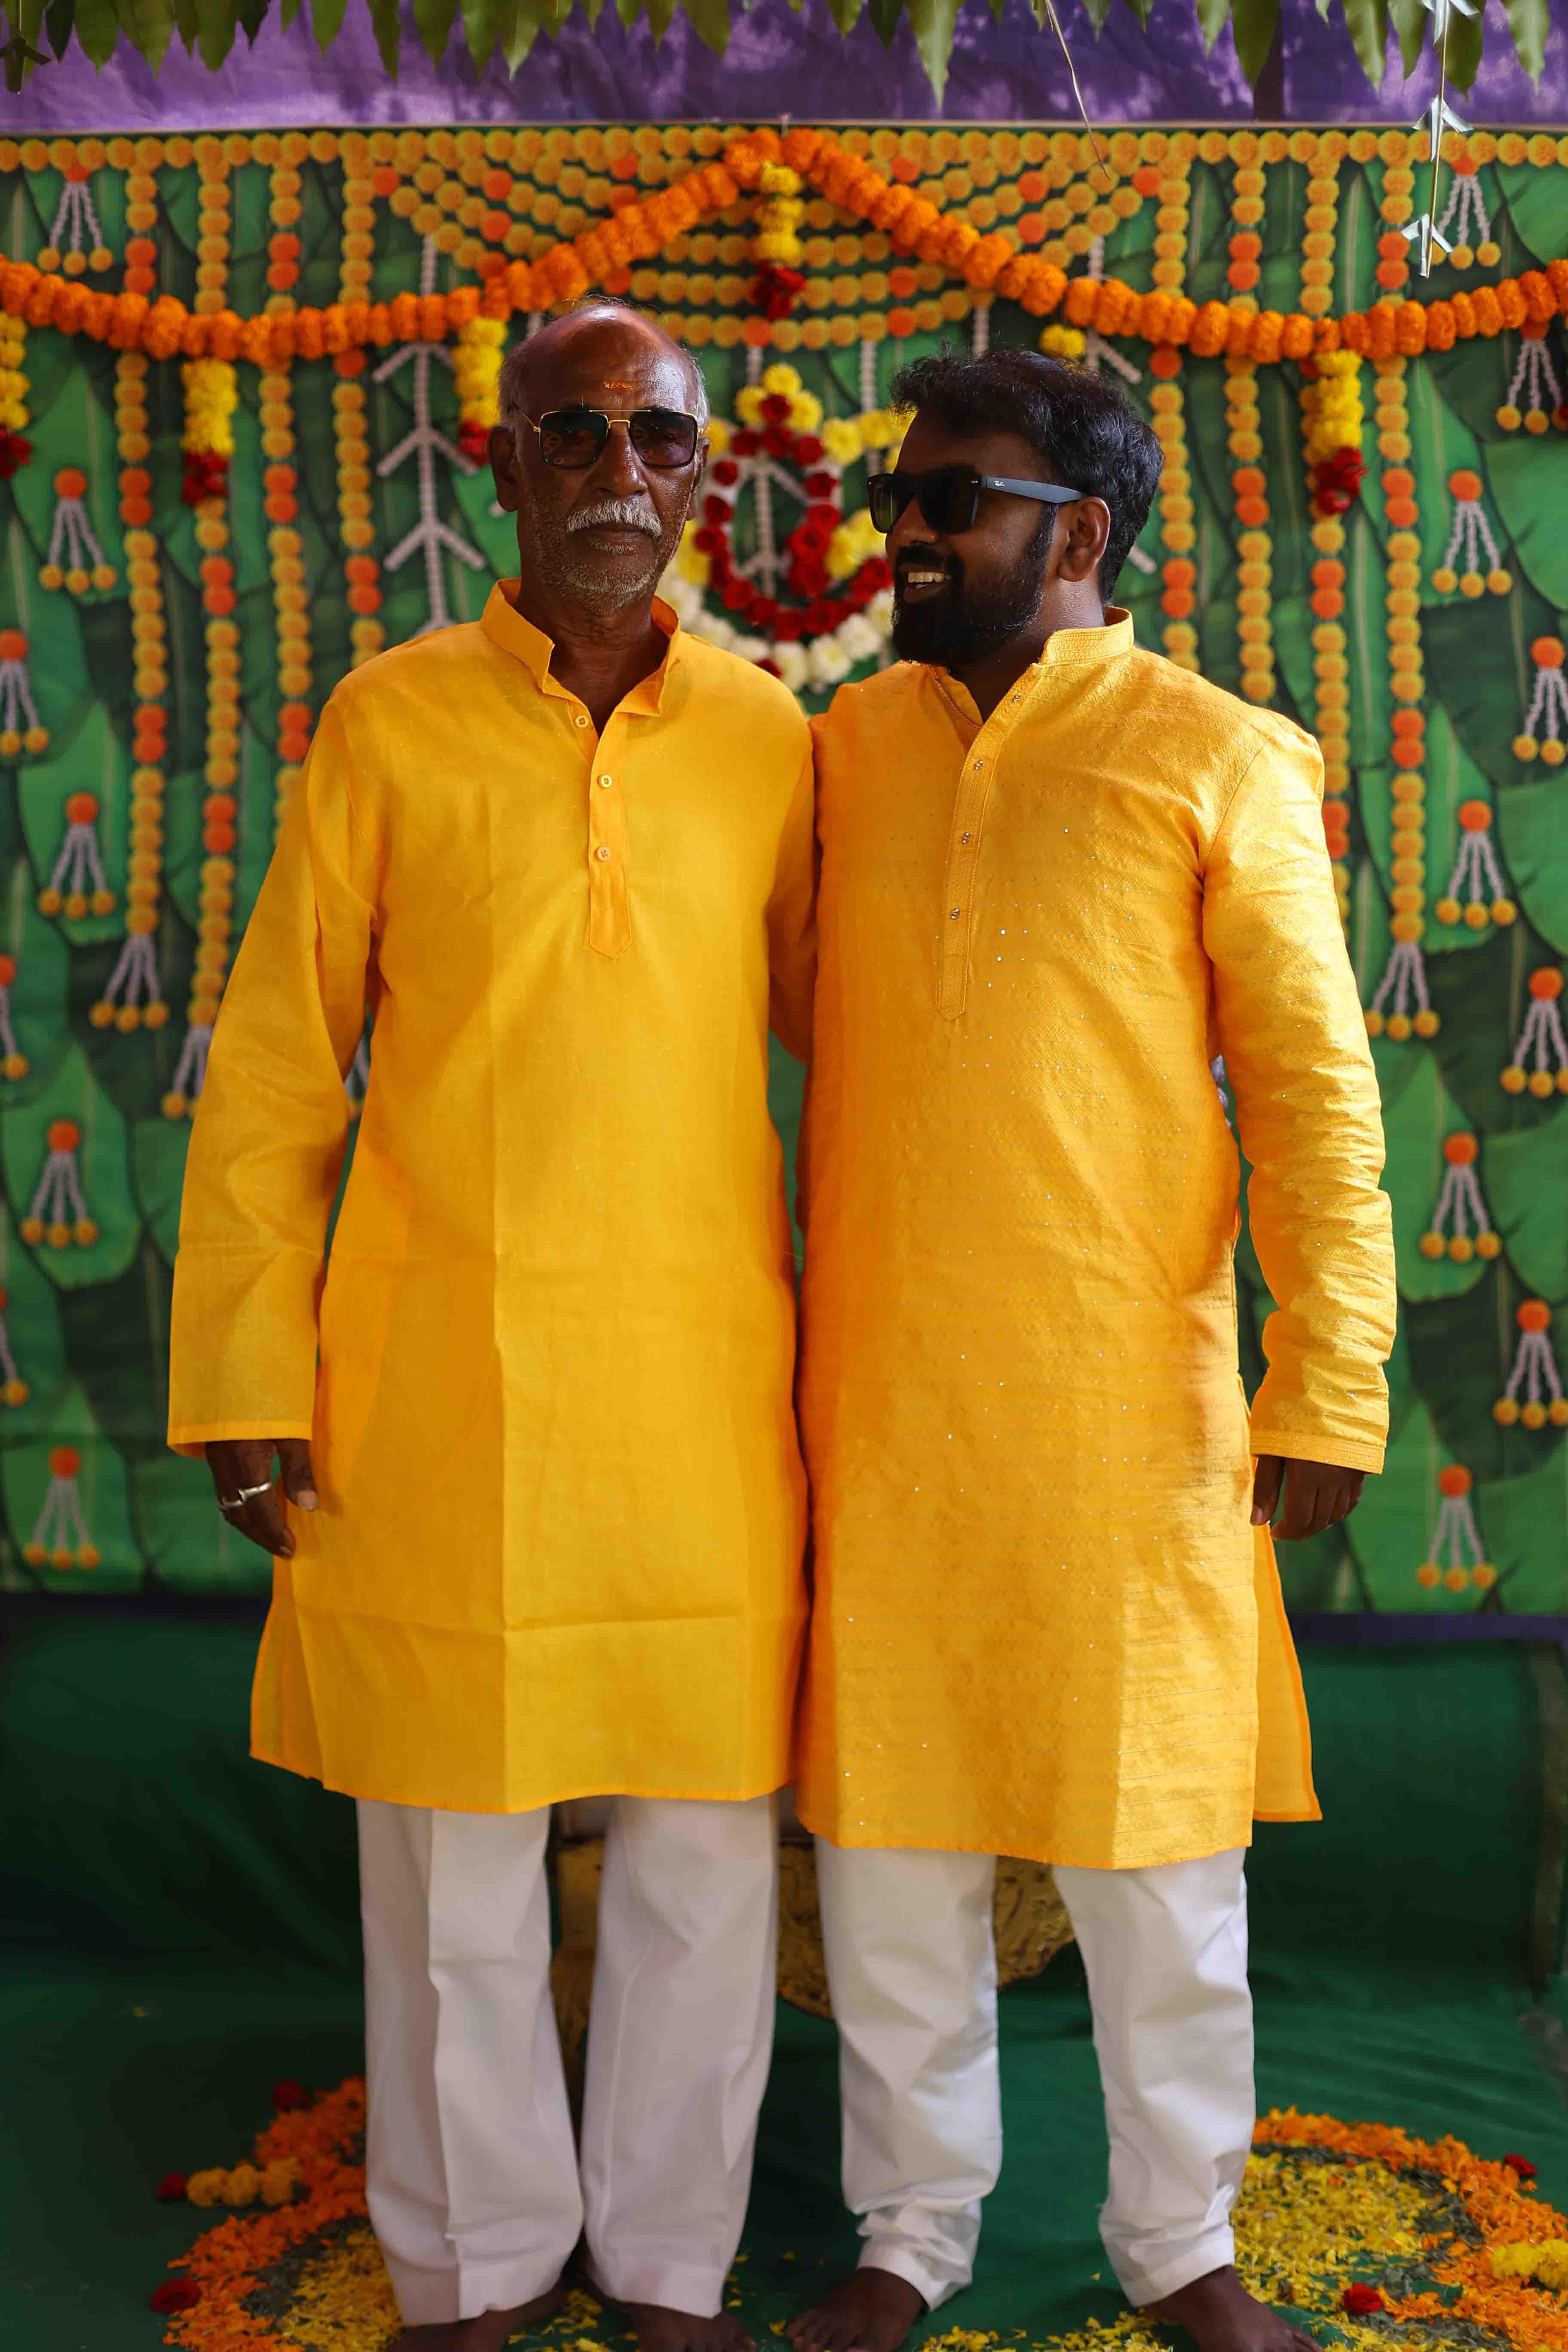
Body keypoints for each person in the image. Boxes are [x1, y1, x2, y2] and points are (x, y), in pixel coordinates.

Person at [166, 304, 816, 2352]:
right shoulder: (389, 719)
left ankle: (667, 2268)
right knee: (451, 1850)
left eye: (661, 439)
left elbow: (873, 1058)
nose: (622, 476)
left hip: (708, 1384)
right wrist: (247, 1374)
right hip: (440, 1371)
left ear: (709, 477)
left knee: (705, 1844)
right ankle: (469, 2266)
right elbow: (279, 1069)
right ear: (505, 470)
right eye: (576, 435)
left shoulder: (780, 745)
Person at [787, 350, 1396, 2352]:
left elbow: (1313, 1095)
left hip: (1133, 1414)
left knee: (1156, 1867)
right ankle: (911, 2230)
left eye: (955, 498)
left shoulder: (1220, 753)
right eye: (905, 494)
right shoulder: (840, 751)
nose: (911, 531)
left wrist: (1337, 1374)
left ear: (1083, 534)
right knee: (891, 1856)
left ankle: (1180, 2242)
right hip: (880, 1407)